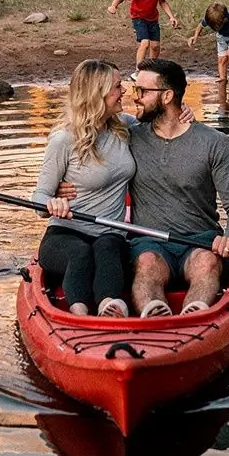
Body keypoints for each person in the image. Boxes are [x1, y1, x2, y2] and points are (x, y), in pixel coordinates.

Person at [126, 59, 229, 319]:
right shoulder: (128, 135)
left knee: (207, 263)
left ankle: (194, 318)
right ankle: (155, 316)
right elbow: (87, 121)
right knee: (147, 264)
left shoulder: (215, 143)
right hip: (148, 241)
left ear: (168, 96)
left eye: (142, 91)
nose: (135, 97)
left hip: (200, 241)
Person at [32, 59, 135, 319]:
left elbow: (160, 122)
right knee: (81, 252)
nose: (123, 91)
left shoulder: (124, 125)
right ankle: (78, 315)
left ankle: (108, 306)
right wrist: (52, 203)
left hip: (111, 235)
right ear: (96, 94)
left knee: (107, 246)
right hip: (65, 235)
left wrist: (184, 113)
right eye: (117, 87)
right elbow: (39, 198)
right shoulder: (64, 139)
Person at [108, 0, 178, 69]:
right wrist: (113, 6)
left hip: (153, 19)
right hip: (138, 18)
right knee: (145, 43)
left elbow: (162, 1)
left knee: (155, 46)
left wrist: (171, 16)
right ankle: (139, 69)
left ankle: (151, 68)